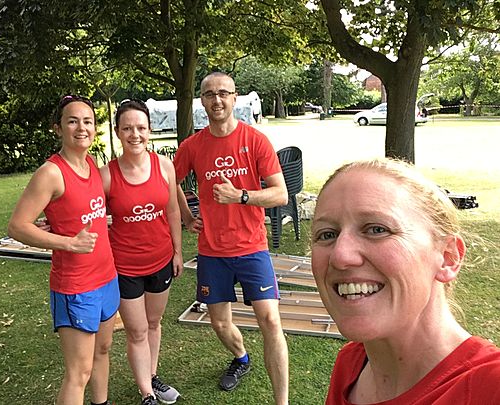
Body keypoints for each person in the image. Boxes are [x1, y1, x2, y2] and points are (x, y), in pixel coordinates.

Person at [311, 158, 500, 404]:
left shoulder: (490, 388)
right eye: (327, 234)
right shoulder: (351, 365)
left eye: (377, 229)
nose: (340, 256)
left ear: (447, 257)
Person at [173, 72, 289, 405]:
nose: (217, 100)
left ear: (234, 98)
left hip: (252, 247)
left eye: (223, 93)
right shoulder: (193, 146)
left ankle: (281, 401)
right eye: (210, 94)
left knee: (270, 319)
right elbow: (172, 182)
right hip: (212, 251)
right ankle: (241, 357)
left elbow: (280, 194)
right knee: (220, 323)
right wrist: (186, 215)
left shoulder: (255, 140)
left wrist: (242, 196)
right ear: (202, 102)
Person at [8, 95, 119, 405]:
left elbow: (78, 212)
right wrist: (68, 242)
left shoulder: (92, 165)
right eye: (73, 121)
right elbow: (17, 226)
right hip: (75, 286)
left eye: (88, 121)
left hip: (107, 277)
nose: (81, 128)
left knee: (103, 350)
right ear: (58, 128)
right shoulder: (51, 173)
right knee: (78, 372)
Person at [99, 99, 183, 405]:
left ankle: (152, 375)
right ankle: (146, 393)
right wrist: (53, 219)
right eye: (128, 128)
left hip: (161, 260)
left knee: (153, 323)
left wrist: (177, 251)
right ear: (118, 132)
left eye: (141, 128)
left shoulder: (165, 166)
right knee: (136, 331)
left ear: (150, 130)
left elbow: (173, 210)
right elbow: (85, 209)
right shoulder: (106, 176)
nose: (135, 134)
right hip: (124, 266)